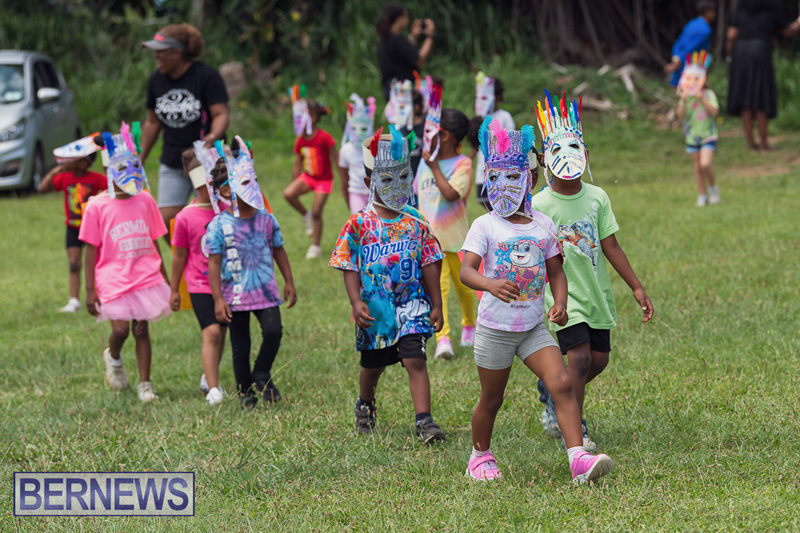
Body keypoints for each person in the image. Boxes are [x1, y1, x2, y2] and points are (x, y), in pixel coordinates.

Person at [461, 117, 614, 485]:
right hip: (495, 330)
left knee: (561, 383)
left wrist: (560, 303)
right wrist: (490, 283)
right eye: (495, 177)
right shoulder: (485, 226)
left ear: (529, 179)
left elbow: (556, 272)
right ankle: (479, 456)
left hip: (532, 327)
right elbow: (467, 271)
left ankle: (577, 459)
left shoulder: (542, 225)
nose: (503, 186)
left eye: (512, 177)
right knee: (491, 399)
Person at [532, 91, 654, 451]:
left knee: (597, 360)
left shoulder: (598, 197)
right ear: (545, 159)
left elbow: (611, 245)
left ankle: (555, 389)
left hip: (596, 294)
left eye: (574, 149)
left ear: (585, 155)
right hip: (563, 297)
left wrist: (636, 287)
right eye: (557, 151)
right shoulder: (539, 204)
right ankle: (575, 427)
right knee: (581, 358)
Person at [329, 127, 447, 444]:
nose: (395, 186)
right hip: (377, 311)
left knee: (415, 360)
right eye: (385, 180)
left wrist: (436, 304)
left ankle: (425, 422)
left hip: (413, 305)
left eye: (401, 178)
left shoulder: (416, 220)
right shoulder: (357, 224)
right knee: (373, 366)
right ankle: (365, 404)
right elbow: (348, 265)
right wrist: (356, 302)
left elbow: (430, 262)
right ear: (370, 183)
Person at [80, 125, 171, 402]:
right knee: (120, 330)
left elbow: (154, 238)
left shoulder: (145, 199)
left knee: (141, 329)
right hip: (112, 276)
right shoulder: (97, 205)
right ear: (111, 170)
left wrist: (164, 275)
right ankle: (115, 357)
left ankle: (146, 385)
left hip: (143, 274)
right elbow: (90, 250)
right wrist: (89, 289)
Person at [205, 138, 297, 409]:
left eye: (253, 180)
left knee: (273, 332)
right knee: (240, 346)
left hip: (266, 292)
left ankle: (262, 371)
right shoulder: (219, 225)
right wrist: (218, 299)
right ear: (225, 190)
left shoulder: (267, 219)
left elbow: (278, 249)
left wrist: (289, 281)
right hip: (235, 296)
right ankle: (246, 393)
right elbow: (213, 263)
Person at [140, 23, 230, 235]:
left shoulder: (206, 75)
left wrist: (213, 136)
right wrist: (140, 155)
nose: (156, 57)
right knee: (164, 222)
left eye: (160, 52)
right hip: (173, 161)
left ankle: (215, 258)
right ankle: (192, 259)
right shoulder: (156, 79)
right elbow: (153, 121)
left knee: (217, 215)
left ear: (177, 52)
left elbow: (220, 114)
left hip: (206, 160)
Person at [169, 145, 229, 405]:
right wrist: (174, 289)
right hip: (199, 285)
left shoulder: (229, 210)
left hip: (228, 282)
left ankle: (209, 374)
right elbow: (179, 256)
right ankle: (214, 389)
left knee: (223, 331)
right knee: (212, 333)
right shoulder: (185, 217)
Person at [416, 108, 477, 359]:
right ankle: (443, 339)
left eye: (435, 132)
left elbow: (451, 194)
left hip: (456, 240)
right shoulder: (424, 161)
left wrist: (434, 167)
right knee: (437, 290)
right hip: (430, 242)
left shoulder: (463, 164)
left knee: (464, 288)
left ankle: (470, 325)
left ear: (448, 136)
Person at [38, 146, 106, 312]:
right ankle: (74, 300)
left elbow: (109, 190)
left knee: (97, 264)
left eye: (73, 159)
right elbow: (42, 189)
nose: (67, 162)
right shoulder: (64, 178)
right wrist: (56, 171)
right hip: (73, 228)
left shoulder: (96, 179)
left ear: (84, 163)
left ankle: (101, 295)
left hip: (93, 228)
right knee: (74, 264)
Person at [726, 0, 800, 150]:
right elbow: (788, 31)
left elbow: (732, 34)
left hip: (741, 51)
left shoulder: (742, 5)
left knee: (745, 99)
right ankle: (764, 143)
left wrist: (729, 55)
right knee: (761, 96)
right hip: (760, 50)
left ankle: (751, 143)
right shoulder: (772, 5)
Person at [283, 97, 338, 259]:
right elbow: (297, 164)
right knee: (288, 194)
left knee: (317, 212)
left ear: (312, 117)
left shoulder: (324, 137)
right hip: (308, 177)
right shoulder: (300, 141)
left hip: (324, 180)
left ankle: (315, 246)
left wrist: (344, 181)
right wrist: (295, 181)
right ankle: (305, 215)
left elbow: (336, 157)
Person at [676, 52, 720, 207]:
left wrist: (703, 99)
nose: (692, 82)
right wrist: (682, 100)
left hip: (708, 135)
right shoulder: (685, 97)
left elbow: (715, 112)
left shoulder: (709, 94)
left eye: (696, 78)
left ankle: (713, 188)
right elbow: (680, 115)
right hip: (691, 137)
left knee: (705, 164)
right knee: (697, 167)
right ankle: (702, 195)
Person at [472, 73, 515, 208]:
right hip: (481, 173)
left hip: (499, 171)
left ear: (498, 98)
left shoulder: (504, 117)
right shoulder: (479, 118)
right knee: (485, 201)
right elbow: (475, 142)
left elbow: (510, 143)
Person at [376, 4, 435, 100]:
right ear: (400, 18)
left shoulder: (385, 39)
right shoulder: (396, 39)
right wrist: (430, 36)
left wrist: (413, 37)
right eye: (406, 16)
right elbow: (419, 60)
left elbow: (405, 53)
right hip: (402, 91)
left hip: (392, 88)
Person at [338, 93, 376, 214]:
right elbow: (344, 177)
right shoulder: (345, 150)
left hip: (376, 194)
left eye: (364, 129)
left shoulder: (378, 148)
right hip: (356, 193)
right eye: (354, 128)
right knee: (360, 225)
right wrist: (346, 194)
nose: (359, 133)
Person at [664, 1, 717, 87]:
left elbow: (679, 42)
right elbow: (691, 47)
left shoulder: (691, 24)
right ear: (707, 11)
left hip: (681, 62)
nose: (715, 14)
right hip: (692, 66)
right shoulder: (705, 29)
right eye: (713, 11)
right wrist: (679, 61)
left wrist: (676, 58)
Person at [400, 89, 426, 179]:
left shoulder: (426, 129)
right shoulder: (399, 129)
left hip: (420, 179)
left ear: (416, 107)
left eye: (405, 106)